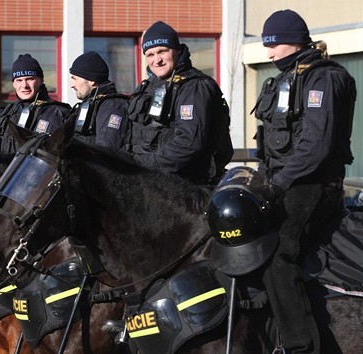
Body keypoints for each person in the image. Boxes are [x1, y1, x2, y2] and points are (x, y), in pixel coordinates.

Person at [253, 9, 356, 353]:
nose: (269, 54)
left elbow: (316, 147)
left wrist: (277, 184)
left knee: (277, 253)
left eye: (274, 45)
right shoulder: (283, 79)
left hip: (315, 185)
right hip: (283, 181)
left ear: (294, 41)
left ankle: (301, 347)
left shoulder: (323, 79)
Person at [125, 21, 233, 185]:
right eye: (150, 55)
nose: (157, 60)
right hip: (150, 183)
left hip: (185, 187)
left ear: (177, 50)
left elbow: (188, 143)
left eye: (162, 51)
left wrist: (142, 170)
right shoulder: (148, 86)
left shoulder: (194, 87)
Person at [0, 54, 71, 153]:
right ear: (13, 84)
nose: (24, 85)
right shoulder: (8, 113)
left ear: (41, 80)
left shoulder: (58, 113)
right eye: (19, 80)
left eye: (30, 79)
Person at [68, 51, 130, 150]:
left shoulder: (112, 106)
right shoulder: (91, 104)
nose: (71, 85)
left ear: (92, 80)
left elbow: (106, 152)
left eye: (75, 79)